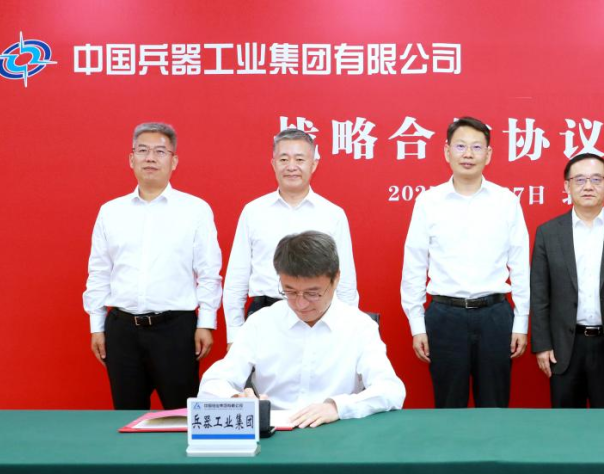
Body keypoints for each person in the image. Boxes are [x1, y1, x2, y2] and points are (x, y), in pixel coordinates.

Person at [83, 122, 222, 410]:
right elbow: (99, 271)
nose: (150, 158)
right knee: (126, 416)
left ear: (174, 161)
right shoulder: (111, 212)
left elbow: (209, 272)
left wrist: (206, 322)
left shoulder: (195, 210)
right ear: (131, 158)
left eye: (160, 151)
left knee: (184, 416)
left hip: (175, 330)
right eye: (143, 150)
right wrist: (96, 325)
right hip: (122, 329)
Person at [199, 231, 404, 427]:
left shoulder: (359, 326)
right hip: (274, 435)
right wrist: (236, 399)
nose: (301, 304)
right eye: (289, 291)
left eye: (312, 293)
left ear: (335, 279)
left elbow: (391, 390)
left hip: (336, 431)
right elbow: (212, 383)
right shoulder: (261, 323)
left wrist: (337, 407)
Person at [400, 116, 530, 408]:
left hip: (495, 316)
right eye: (460, 146)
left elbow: (521, 266)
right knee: (448, 408)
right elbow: (414, 266)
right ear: (447, 152)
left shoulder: (506, 201)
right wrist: (417, 324)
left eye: (476, 147)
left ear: (488, 154)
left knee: (495, 407)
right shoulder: (428, 202)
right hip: (445, 317)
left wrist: (521, 321)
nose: (468, 154)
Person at [530, 153, 604, 408]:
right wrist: (542, 344)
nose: (588, 186)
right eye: (580, 179)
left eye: (596, 179)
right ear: (567, 186)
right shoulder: (548, 233)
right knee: (566, 426)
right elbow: (539, 295)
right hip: (564, 348)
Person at [223, 128, 359, 346]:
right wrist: (234, 334)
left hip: (319, 315)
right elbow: (236, 278)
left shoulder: (333, 214)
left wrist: (348, 331)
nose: (291, 166)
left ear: (313, 164)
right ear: (273, 164)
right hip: (265, 314)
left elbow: (346, 283)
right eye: (284, 159)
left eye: (300, 159)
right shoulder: (253, 211)